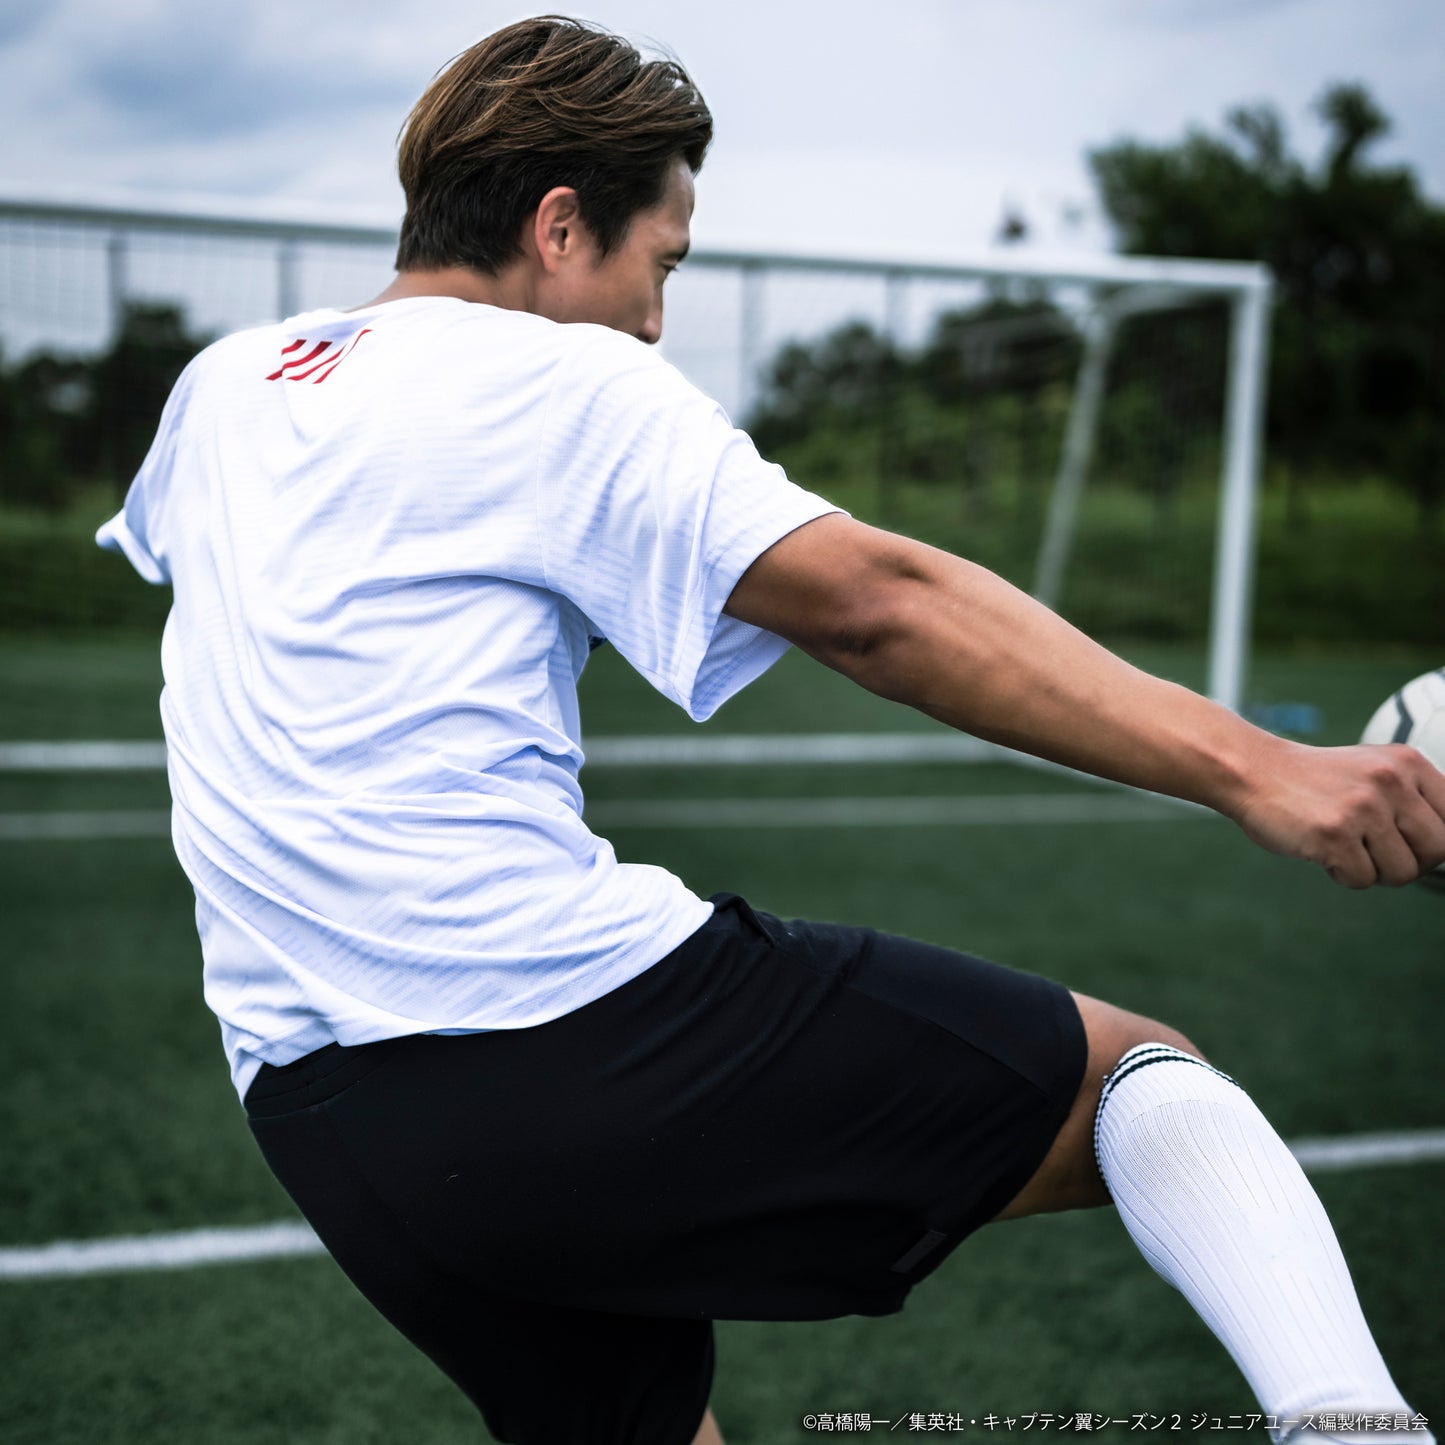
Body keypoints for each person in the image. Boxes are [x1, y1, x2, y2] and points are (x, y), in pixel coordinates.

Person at [97, 16, 1443, 1445]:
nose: (654, 322)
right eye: (657, 263)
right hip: (557, 1030)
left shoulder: (226, 388)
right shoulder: (555, 378)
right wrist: (1264, 768)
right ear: (560, 226)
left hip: (329, 1125)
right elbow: (877, 604)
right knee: (1141, 1082)